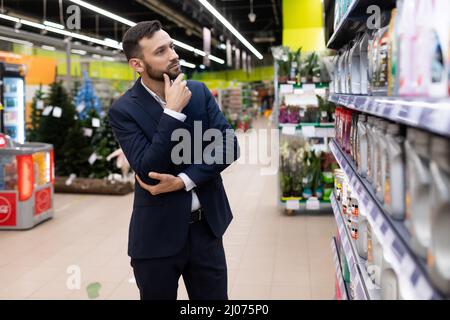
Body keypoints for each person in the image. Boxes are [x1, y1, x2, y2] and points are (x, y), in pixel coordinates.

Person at [108, 20, 239, 300]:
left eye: (172, 46)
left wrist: (182, 181)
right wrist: (172, 112)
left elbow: (229, 146)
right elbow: (148, 168)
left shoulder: (199, 93)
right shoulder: (124, 110)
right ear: (138, 64)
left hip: (206, 230)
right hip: (157, 236)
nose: (173, 55)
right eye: (161, 51)